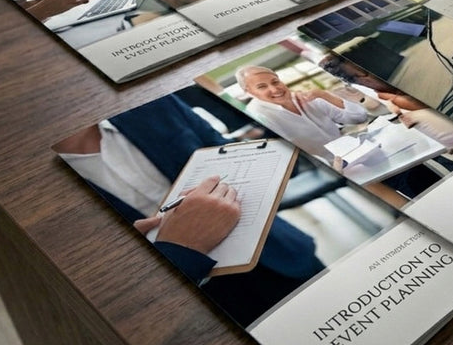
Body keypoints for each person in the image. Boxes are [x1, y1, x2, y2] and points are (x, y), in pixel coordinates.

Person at [53, 94, 324, 326]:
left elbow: (226, 151)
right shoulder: (43, 189)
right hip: (195, 306)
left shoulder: (148, 104)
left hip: (278, 254)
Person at [236, 65, 368, 163]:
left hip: (353, 153)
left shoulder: (306, 97)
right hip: (327, 167)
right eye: (262, 87)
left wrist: (325, 95)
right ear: (249, 92)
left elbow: (359, 117)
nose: (274, 89)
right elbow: (288, 156)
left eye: (275, 82)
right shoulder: (258, 117)